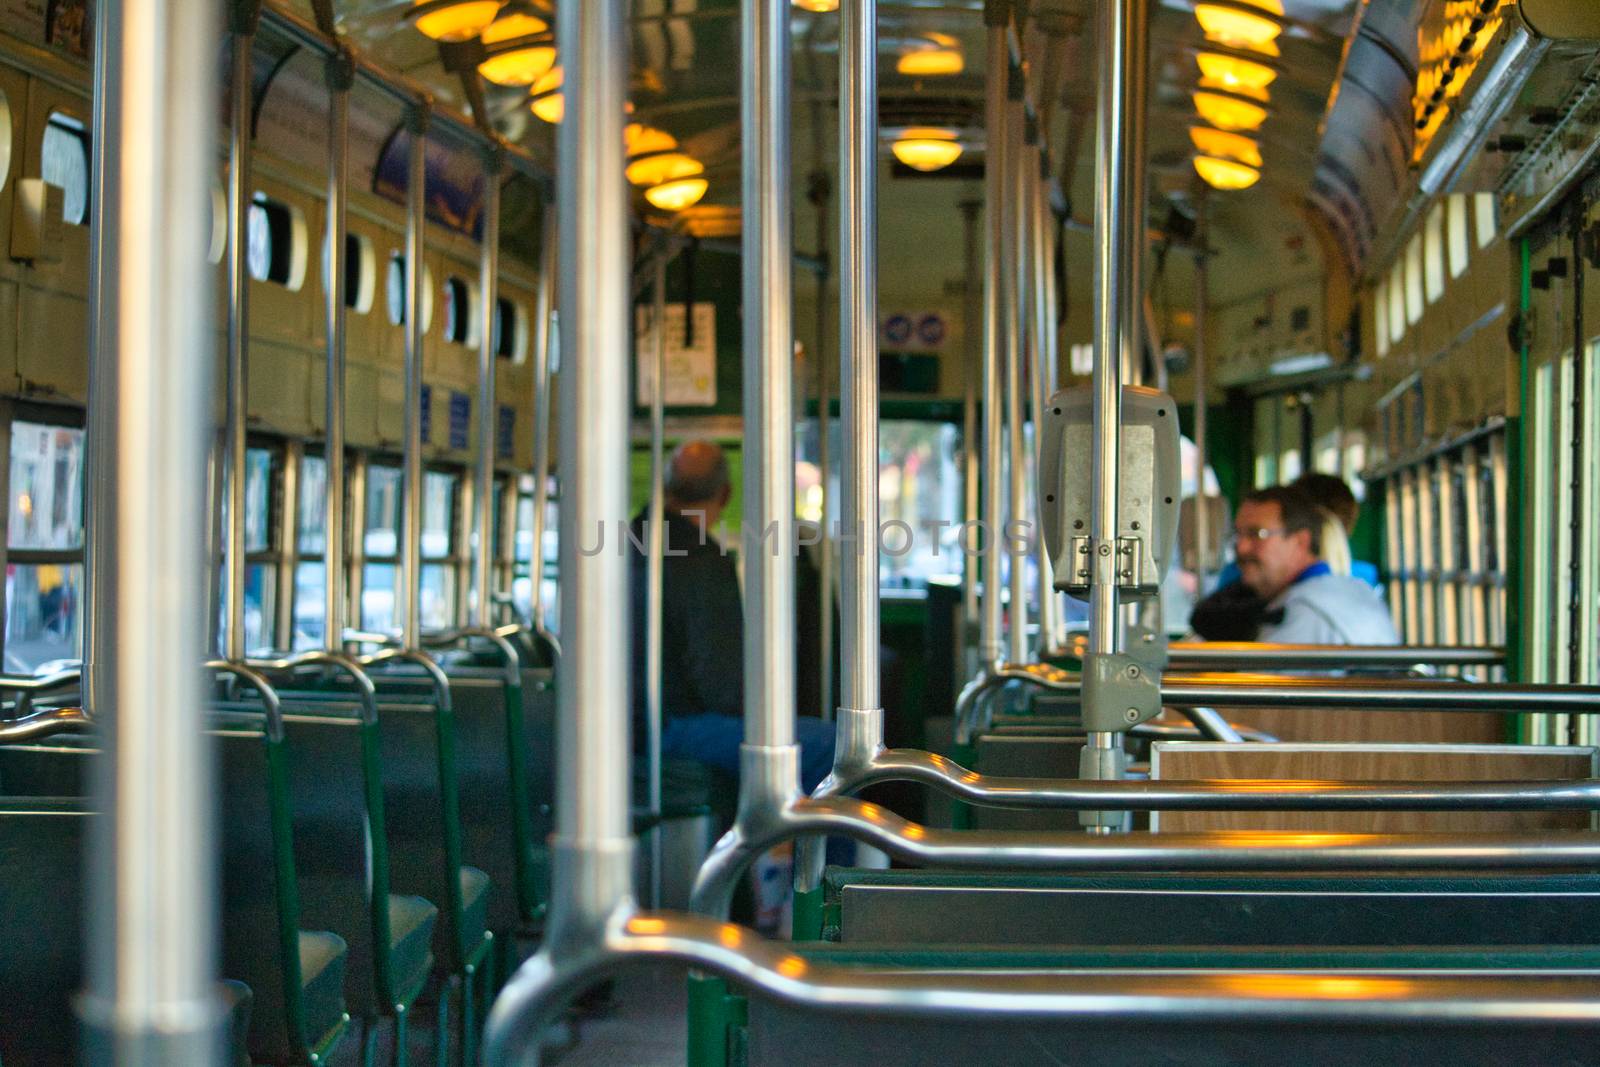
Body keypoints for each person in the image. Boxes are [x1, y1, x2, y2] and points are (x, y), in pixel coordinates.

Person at [629, 440, 837, 793]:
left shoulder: (627, 540)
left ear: (665, 488)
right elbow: (719, 680)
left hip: (622, 719)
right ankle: (796, 846)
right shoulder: (704, 561)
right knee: (830, 744)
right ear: (725, 494)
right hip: (667, 726)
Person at [1229, 485, 1399, 645]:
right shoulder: (1355, 590)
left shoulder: (1307, 613)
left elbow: (1264, 676)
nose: (1241, 547)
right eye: (1238, 534)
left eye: (1256, 534)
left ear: (1300, 541)